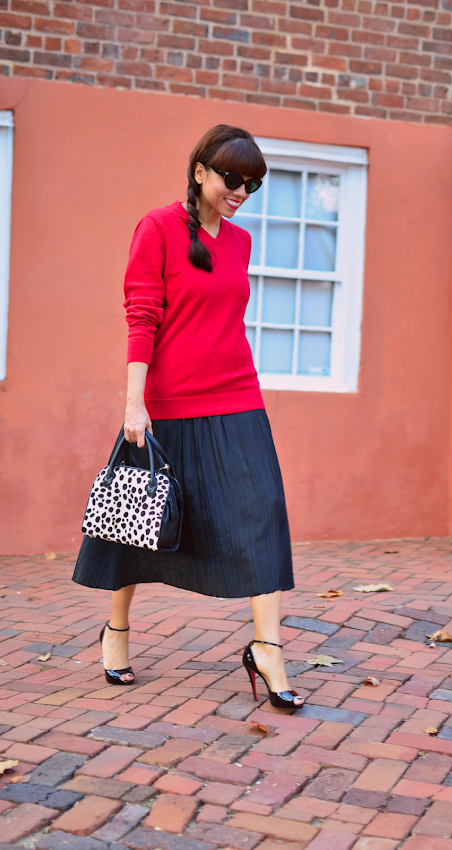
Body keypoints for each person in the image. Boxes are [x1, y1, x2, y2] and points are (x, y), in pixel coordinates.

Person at [73, 125, 304, 710]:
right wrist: (134, 402)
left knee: (263, 513)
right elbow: (142, 314)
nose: (242, 192)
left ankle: (268, 648)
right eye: (233, 179)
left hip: (237, 395)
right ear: (200, 171)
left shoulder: (240, 242)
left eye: (253, 185)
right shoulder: (157, 228)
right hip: (169, 403)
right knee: (139, 521)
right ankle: (116, 630)